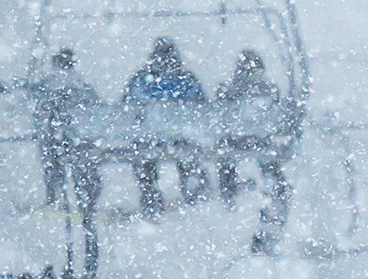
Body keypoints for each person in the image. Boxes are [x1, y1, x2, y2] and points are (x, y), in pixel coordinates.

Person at [123, 37, 210, 216]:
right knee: (188, 158)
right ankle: (193, 190)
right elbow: (201, 108)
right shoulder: (186, 80)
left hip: (148, 139)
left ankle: (150, 196)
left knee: (144, 161)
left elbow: (127, 109)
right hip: (179, 138)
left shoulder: (142, 81)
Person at [215, 48, 289, 208]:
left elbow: (220, 111)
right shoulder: (268, 88)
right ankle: (274, 189)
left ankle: (229, 195)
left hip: (235, 139)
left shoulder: (231, 89)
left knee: (226, 161)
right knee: (269, 162)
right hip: (261, 138)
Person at [33, 47, 101, 212]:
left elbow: (38, 109)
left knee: (54, 169)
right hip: (78, 137)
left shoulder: (47, 85)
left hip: (55, 136)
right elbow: (94, 111)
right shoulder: (82, 86)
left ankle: (56, 201)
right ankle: (86, 204)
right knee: (84, 172)